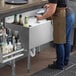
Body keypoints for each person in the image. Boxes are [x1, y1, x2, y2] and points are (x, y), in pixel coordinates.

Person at [36, 0, 75, 70]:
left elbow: (52, 11)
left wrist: (41, 17)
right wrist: (50, 5)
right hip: (69, 14)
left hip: (62, 16)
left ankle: (59, 64)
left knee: (59, 42)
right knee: (66, 40)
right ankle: (65, 61)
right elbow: (60, 3)